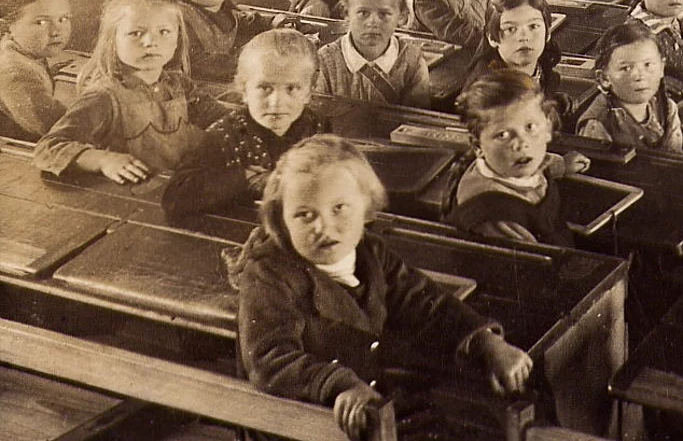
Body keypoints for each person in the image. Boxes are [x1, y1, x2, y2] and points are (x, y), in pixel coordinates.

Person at [230, 136, 532, 440]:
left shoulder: (370, 251)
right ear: (281, 221)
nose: (323, 227)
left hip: (378, 404)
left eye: (340, 208)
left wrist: (486, 341)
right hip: (308, 422)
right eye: (304, 215)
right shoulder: (269, 275)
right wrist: (339, 385)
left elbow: (426, 302)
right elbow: (270, 359)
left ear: (366, 208)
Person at [35, 0, 222, 180]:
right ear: (112, 41)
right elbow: (49, 147)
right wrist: (104, 160)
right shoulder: (104, 96)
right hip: (131, 197)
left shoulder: (179, 85)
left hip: (177, 186)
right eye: (135, 33)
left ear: (177, 40)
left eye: (164, 32)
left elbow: (223, 119)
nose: (150, 42)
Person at [163, 30, 325, 220]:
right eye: (265, 88)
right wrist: (242, 178)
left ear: (308, 92)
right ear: (243, 90)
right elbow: (174, 198)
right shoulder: (224, 135)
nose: (276, 102)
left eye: (292, 88)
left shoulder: (315, 125)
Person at [450, 69, 589, 244]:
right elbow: (533, 265)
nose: (522, 144)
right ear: (478, 146)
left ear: (547, 128)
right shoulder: (494, 215)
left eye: (530, 127)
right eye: (503, 135)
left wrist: (562, 165)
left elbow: (538, 168)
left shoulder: (513, 165)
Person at [313, 0, 432, 108]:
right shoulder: (326, 61)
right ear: (346, 12)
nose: (372, 22)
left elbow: (417, 122)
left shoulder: (412, 61)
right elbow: (317, 117)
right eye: (363, 13)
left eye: (384, 14)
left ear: (402, 16)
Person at [575, 22, 683, 153]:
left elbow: (677, 156)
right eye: (626, 68)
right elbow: (599, 170)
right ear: (604, 78)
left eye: (648, 65)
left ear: (661, 68)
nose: (640, 76)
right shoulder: (598, 124)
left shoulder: (668, 108)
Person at [0, 0, 72, 139]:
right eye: (41, 22)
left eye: (63, 19)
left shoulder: (23, 51)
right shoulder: (15, 73)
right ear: (7, 26)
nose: (56, 31)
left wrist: (51, 73)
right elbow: (59, 126)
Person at [466, 0, 566, 100]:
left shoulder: (544, 73)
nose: (524, 37)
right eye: (511, 29)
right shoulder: (488, 92)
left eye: (533, 26)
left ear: (547, 33)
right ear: (492, 39)